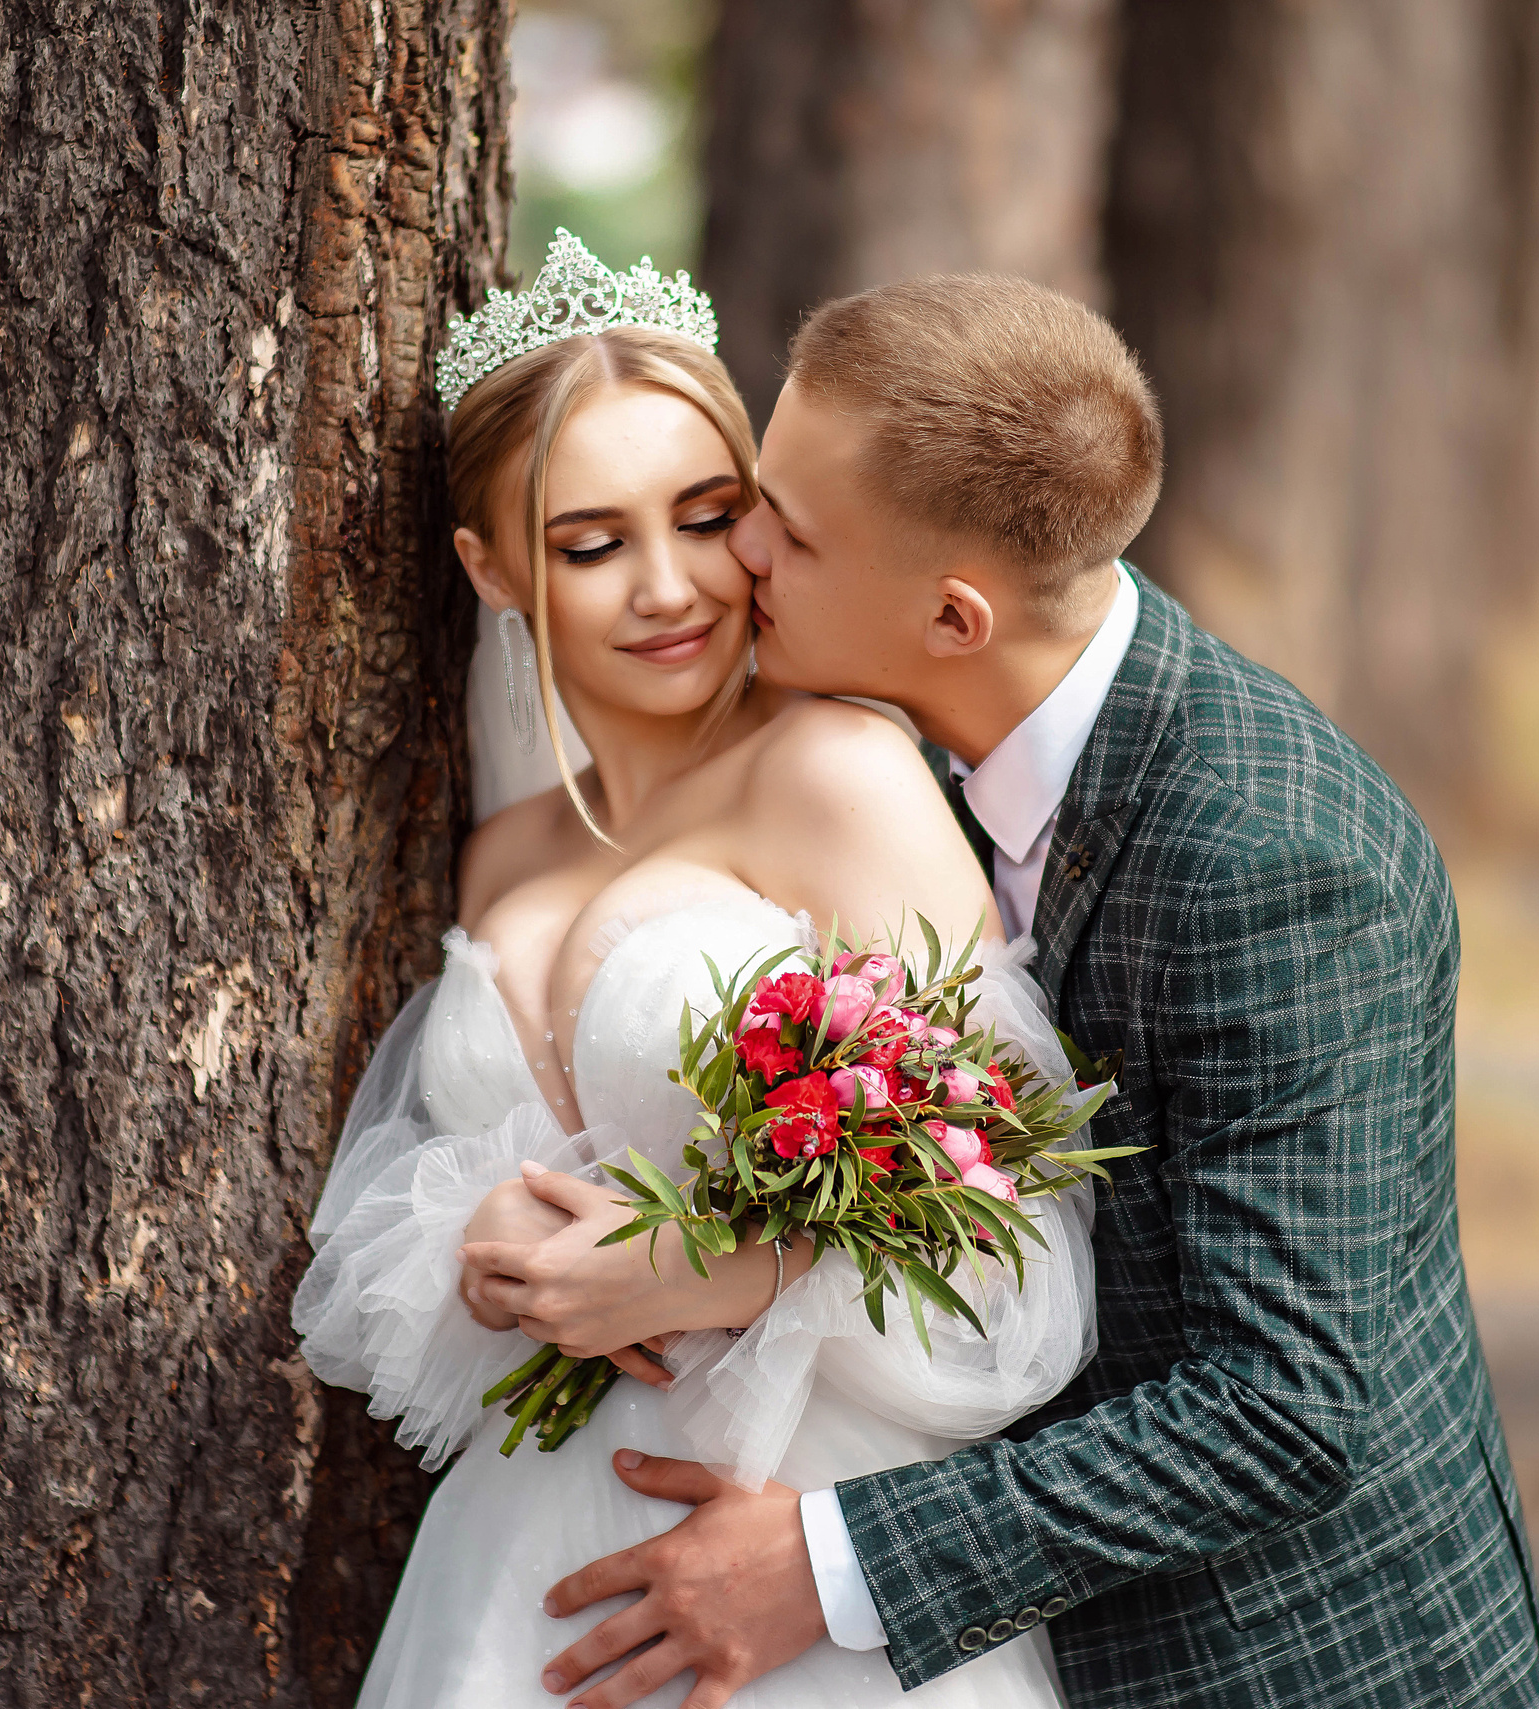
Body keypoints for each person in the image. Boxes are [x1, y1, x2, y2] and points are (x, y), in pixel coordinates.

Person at [477, 275, 1539, 1709]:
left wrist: (831, 1564)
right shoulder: (924, 748)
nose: (740, 553)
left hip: (1284, 1664)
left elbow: (1283, 1412)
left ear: (954, 615)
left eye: (783, 526)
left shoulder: (1275, 859)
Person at [291, 232, 1098, 1709]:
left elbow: (1016, 1233)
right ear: (492, 569)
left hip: (791, 1559)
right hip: (521, 1575)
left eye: (709, 518)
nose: (669, 588)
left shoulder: (836, 774)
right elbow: (470, 1193)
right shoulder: (502, 852)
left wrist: (710, 1264)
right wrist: (485, 1245)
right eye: (592, 544)